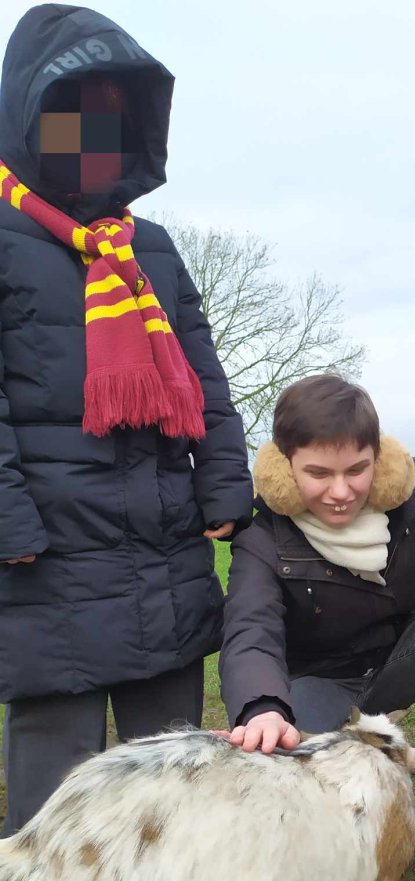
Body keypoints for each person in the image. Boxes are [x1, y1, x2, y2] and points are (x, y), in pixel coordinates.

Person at [0, 5, 252, 834]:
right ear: (28, 115)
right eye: (72, 111)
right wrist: (9, 518)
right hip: (50, 547)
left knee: (172, 762)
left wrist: (223, 485)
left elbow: (205, 381)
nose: (92, 136)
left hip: (158, 544)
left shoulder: (154, 249)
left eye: (110, 117)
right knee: (55, 764)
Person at [219, 374, 415, 869]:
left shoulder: (414, 488)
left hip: (394, 661)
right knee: (276, 771)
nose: (341, 491)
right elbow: (249, 630)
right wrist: (260, 706)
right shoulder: (262, 532)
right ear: (286, 466)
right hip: (314, 680)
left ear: (376, 460)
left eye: (356, 470)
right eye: (318, 473)